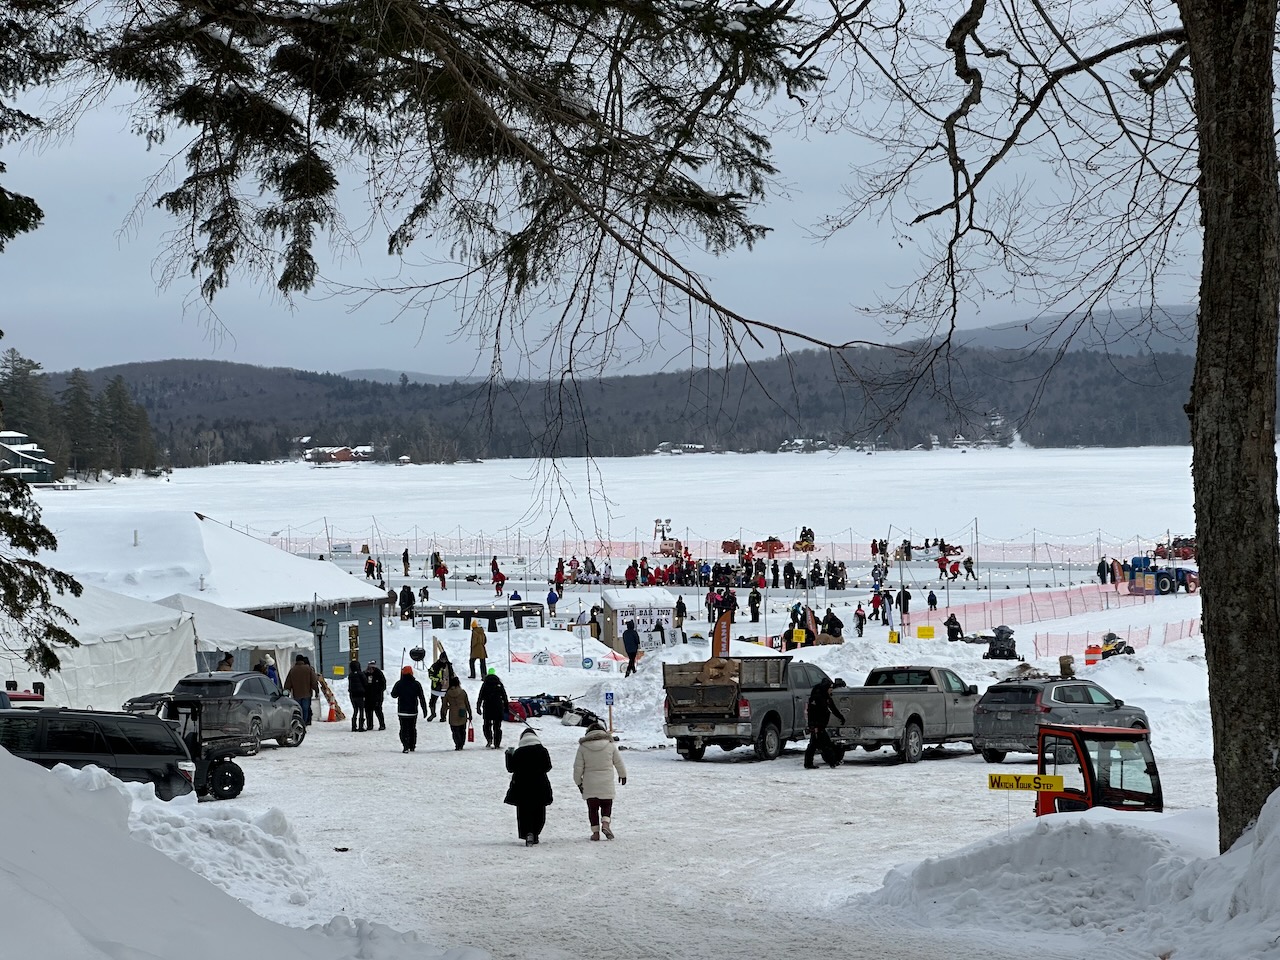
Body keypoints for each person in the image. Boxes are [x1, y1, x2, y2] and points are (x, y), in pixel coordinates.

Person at [572, 721, 627, 841]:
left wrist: (578, 782)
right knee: (607, 805)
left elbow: (578, 767)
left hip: (590, 783)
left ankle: (595, 833)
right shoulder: (610, 745)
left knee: (592, 809)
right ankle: (606, 823)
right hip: (606, 782)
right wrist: (622, 775)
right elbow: (618, 762)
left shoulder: (583, 747)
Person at [505, 728, 554, 846]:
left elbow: (511, 768)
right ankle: (536, 833)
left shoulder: (518, 752)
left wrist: (508, 755)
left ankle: (528, 832)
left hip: (522, 786)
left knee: (524, 811)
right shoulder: (542, 750)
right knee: (539, 810)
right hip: (540, 785)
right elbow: (548, 767)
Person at [804, 677, 846, 769]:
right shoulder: (817, 698)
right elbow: (811, 713)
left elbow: (833, 708)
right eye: (830, 689)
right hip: (817, 726)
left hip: (821, 725)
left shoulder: (826, 697)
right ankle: (833, 762)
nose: (831, 691)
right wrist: (813, 725)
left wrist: (841, 717)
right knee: (824, 744)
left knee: (816, 744)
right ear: (826, 688)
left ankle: (809, 763)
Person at [389, 665, 428, 753]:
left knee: (403, 728)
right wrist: (424, 709)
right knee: (412, 728)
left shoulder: (399, 683)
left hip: (402, 711)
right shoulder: (416, 684)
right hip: (413, 711)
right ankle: (412, 745)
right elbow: (421, 697)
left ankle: (405, 746)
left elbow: (393, 695)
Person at [283, 654, 319, 725]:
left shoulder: (292, 670)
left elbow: (288, 683)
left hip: (297, 694)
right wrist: (316, 691)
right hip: (307, 694)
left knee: (299, 709)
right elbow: (314, 681)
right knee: (305, 709)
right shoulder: (308, 669)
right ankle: (304, 723)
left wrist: (286, 692)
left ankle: (299, 722)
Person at [477, 668, 509, 748]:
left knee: (486, 725)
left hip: (487, 707)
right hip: (498, 707)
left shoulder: (485, 684)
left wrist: (478, 706)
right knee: (497, 727)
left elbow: (480, 696)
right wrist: (506, 707)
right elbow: (504, 696)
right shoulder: (499, 684)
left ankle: (489, 740)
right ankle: (497, 743)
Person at [442, 675, 472, 751]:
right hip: (462, 712)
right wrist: (470, 713)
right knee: (462, 729)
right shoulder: (462, 692)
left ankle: (457, 744)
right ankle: (461, 743)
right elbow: (467, 703)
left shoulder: (448, 693)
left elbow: (444, 704)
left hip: (453, 713)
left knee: (455, 730)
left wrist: (444, 713)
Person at [427, 650, 454, 721]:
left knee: (444, 703)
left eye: (445, 659)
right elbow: (430, 675)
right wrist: (438, 680)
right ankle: (433, 714)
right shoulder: (435, 666)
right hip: (436, 687)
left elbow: (452, 675)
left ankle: (443, 716)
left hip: (446, 688)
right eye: (442, 659)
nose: (443, 661)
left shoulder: (449, 666)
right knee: (432, 702)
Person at [364, 660, 387, 731]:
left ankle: (382, 725)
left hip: (377, 696)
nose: (371, 669)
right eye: (370, 667)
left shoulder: (379, 673)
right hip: (368, 696)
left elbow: (383, 685)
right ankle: (369, 725)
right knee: (368, 711)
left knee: (378, 710)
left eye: (372, 667)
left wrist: (378, 691)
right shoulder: (365, 673)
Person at [347, 658, 368, 732]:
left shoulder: (350, 675)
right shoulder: (361, 674)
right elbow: (365, 683)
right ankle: (361, 726)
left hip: (353, 694)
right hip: (360, 694)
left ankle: (353, 726)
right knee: (361, 710)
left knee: (355, 710)